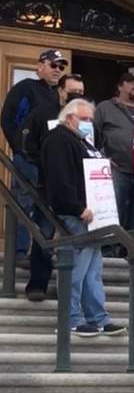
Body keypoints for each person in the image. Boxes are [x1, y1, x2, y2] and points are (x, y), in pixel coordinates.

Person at [42, 98, 125, 337]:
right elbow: (60, 180)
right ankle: (71, 318)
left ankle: (97, 317)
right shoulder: (59, 140)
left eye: (91, 119)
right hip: (77, 215)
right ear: (69, 118)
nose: (90, 124)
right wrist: (77, 207)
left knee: (92, 271)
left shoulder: (82, 142)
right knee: (77, 270)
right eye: (85, 119)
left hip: (92, 215)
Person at [3, 48, 65, 301]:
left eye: (61, 67)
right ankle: (18, 251)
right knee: (23, 203)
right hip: (28, 158)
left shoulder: (59, 96)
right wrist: (19, 149)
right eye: (53, 65)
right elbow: (8, 118)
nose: (57, 70)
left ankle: (38, 260)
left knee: (44, 213)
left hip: (50, 165)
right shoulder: (27, 87)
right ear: (40, 66)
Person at [93, 70, 134, 230]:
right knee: (114, 212)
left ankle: (132, 251)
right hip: (114, 170)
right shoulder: (105, 108)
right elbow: (93, 136)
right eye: (132, 83)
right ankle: (111, 248)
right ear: (120, 87)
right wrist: (102, 157)